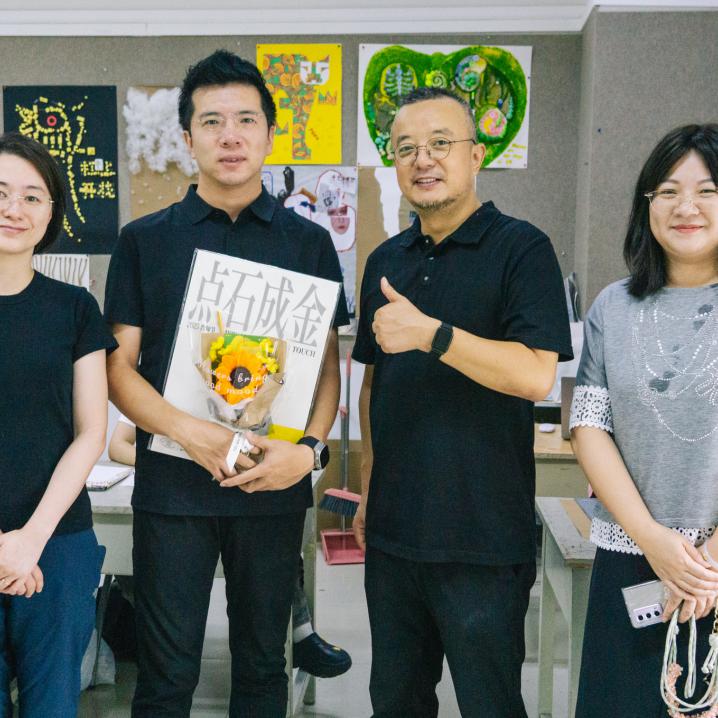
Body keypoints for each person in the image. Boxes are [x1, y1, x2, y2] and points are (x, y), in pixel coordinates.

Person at [104, 49, 349, 718]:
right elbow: (118, 370)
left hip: (272, 487)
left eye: (246, 120)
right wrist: (196, 435)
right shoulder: (144, 241)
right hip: (173, 490)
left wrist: (309, 450)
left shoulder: (309, 243)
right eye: (212, 122)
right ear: (188, 139)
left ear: (270, 134)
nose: (230, 136)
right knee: (165, 676)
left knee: (264, 668)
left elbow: (326, 369)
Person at [351, 87, 572, 718]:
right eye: (406, 148)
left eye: (440, 143)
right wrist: (368, 486)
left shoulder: (522, 249)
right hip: (394, 535)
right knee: (395, 701)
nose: (423, 159)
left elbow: (536, 377)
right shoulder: (385, 260)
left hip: (483, 538)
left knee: (489, 703)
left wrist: (434, 335)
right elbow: (373, 384)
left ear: (476, 155)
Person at [570, 123, 718, 716]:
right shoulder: (614, 306)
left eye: (707, 191)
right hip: (632, 556)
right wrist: (653, 541)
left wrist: (706, 566)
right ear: (646, 205)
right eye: (668, 191)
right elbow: (589, 427)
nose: (686, 207)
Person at [0, 131, 116, 716]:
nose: (13, 209)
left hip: (57, 541)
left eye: (31, 197)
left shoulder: (75, 308)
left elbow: (91, 432)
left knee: (51, 703)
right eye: (0, 192)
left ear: (51, 214)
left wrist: (30, 541)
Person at [107, 415, 352, 677]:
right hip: (179, 496)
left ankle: (301, 631)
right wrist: (186, 455)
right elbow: (118, 444)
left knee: (263, 658)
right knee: (169, 665)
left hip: (260, 496)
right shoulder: (167, 395)